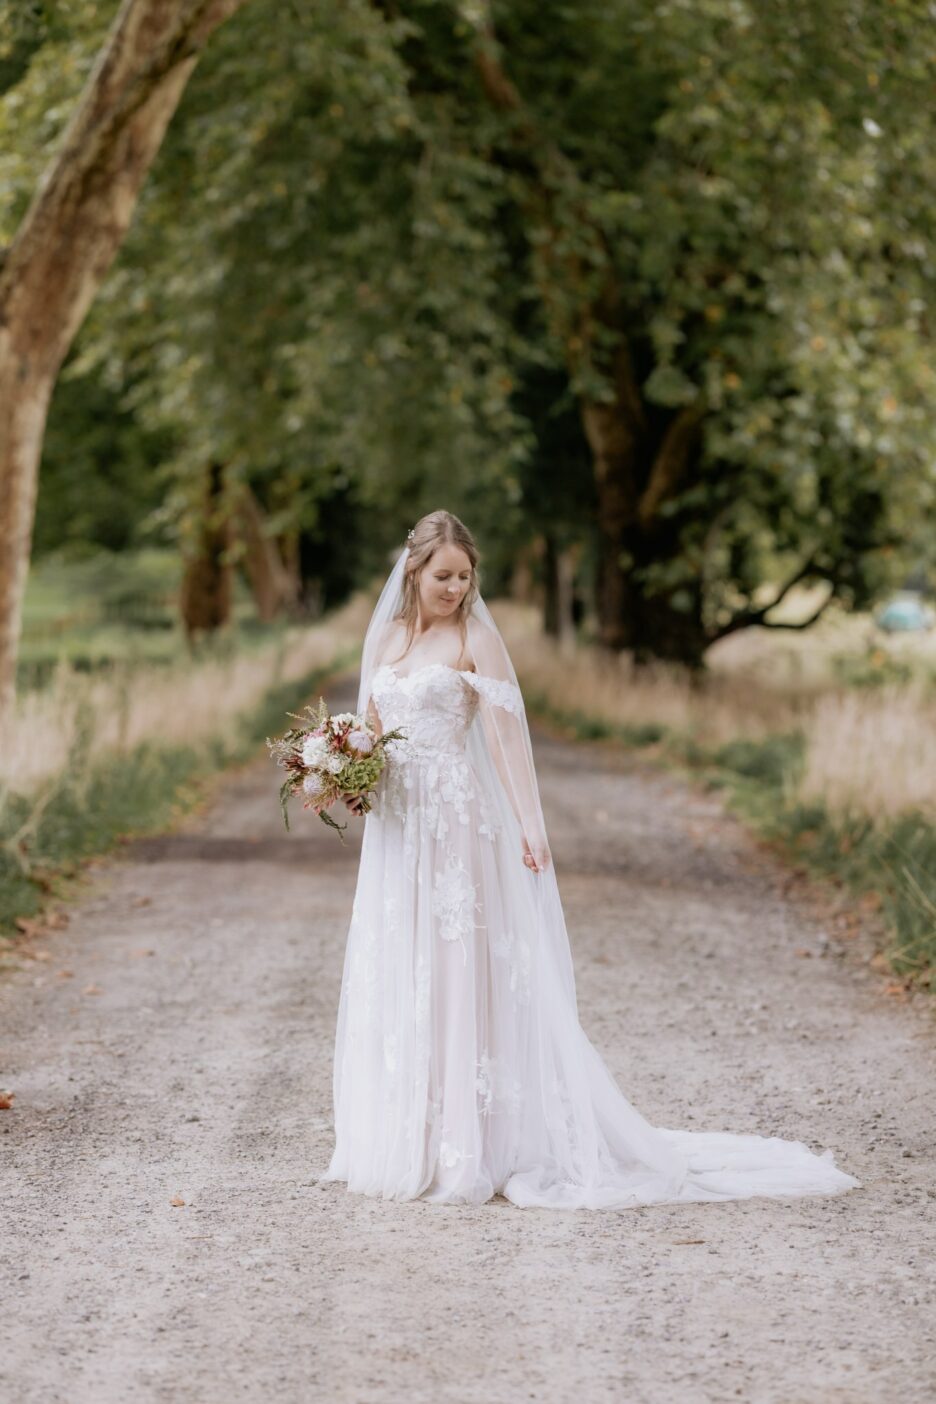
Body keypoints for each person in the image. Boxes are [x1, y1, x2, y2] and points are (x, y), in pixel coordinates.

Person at [318, 510, 861, 1209]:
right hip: (398, 830)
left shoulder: (476, 640)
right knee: (404, 958)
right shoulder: (389, 639)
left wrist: (530, 824)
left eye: (464, 576)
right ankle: (407, 1133)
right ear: (415, 571)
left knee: (458, 969)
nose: (454, 588)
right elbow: (369, 727)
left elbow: (510, 742)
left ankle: (469, 1142)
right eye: (443, 576)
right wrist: (343, 769)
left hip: (455, 824)